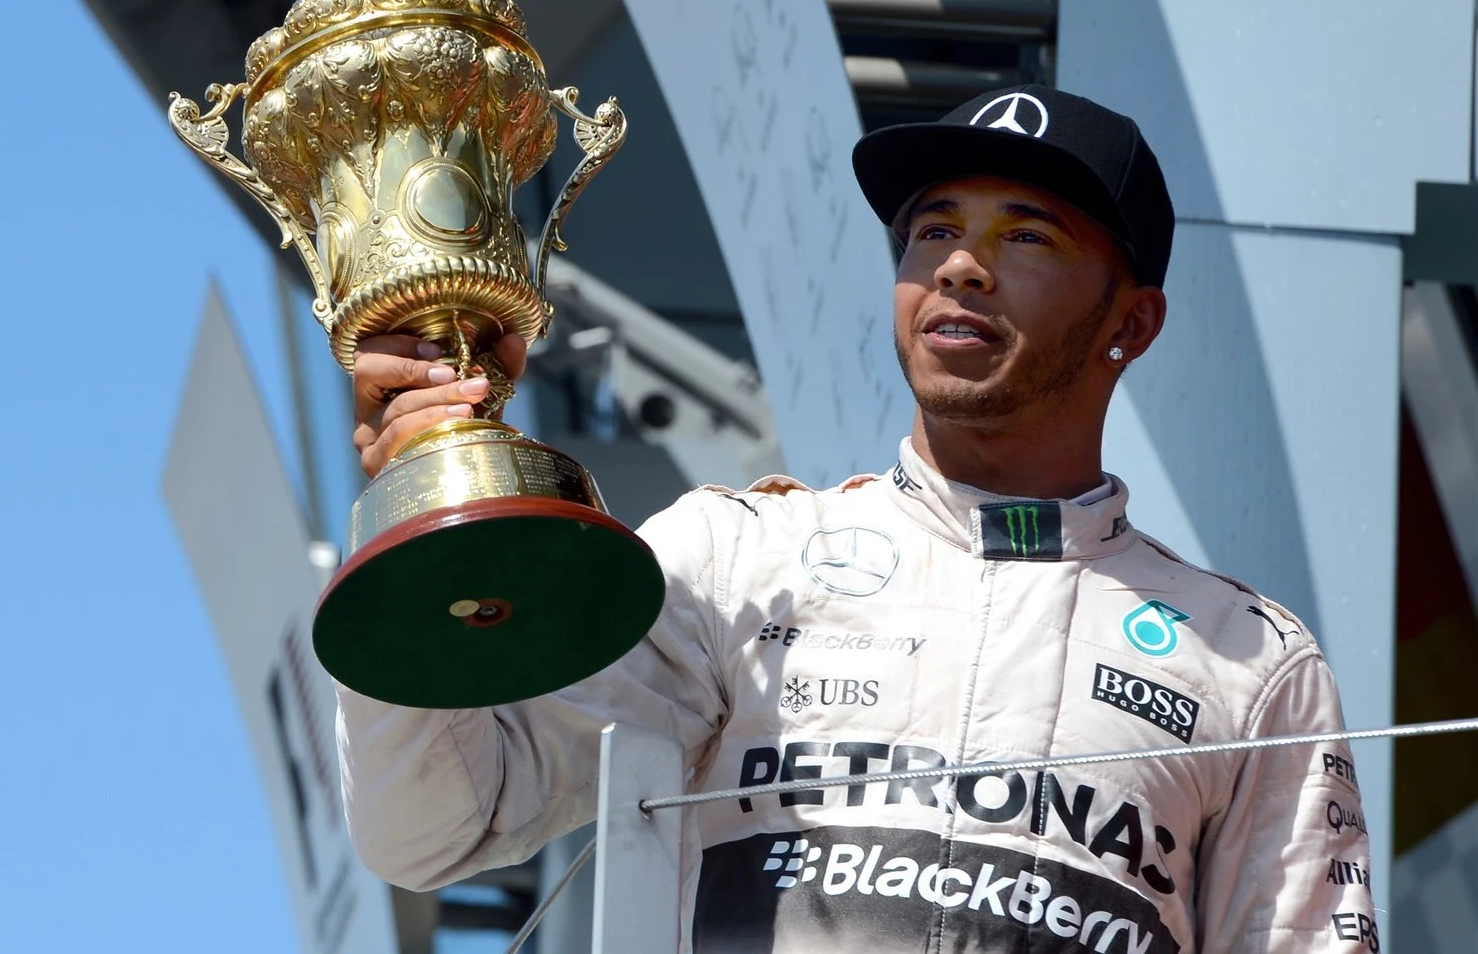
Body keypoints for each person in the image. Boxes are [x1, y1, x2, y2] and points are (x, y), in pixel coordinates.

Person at [335, 86, 1375, 953]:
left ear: (1130, 322)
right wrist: (412, 513)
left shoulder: (1250, 660)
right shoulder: (734, 557)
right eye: (934, 230)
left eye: (1024, 233)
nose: (961, 265)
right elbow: (436, 829)